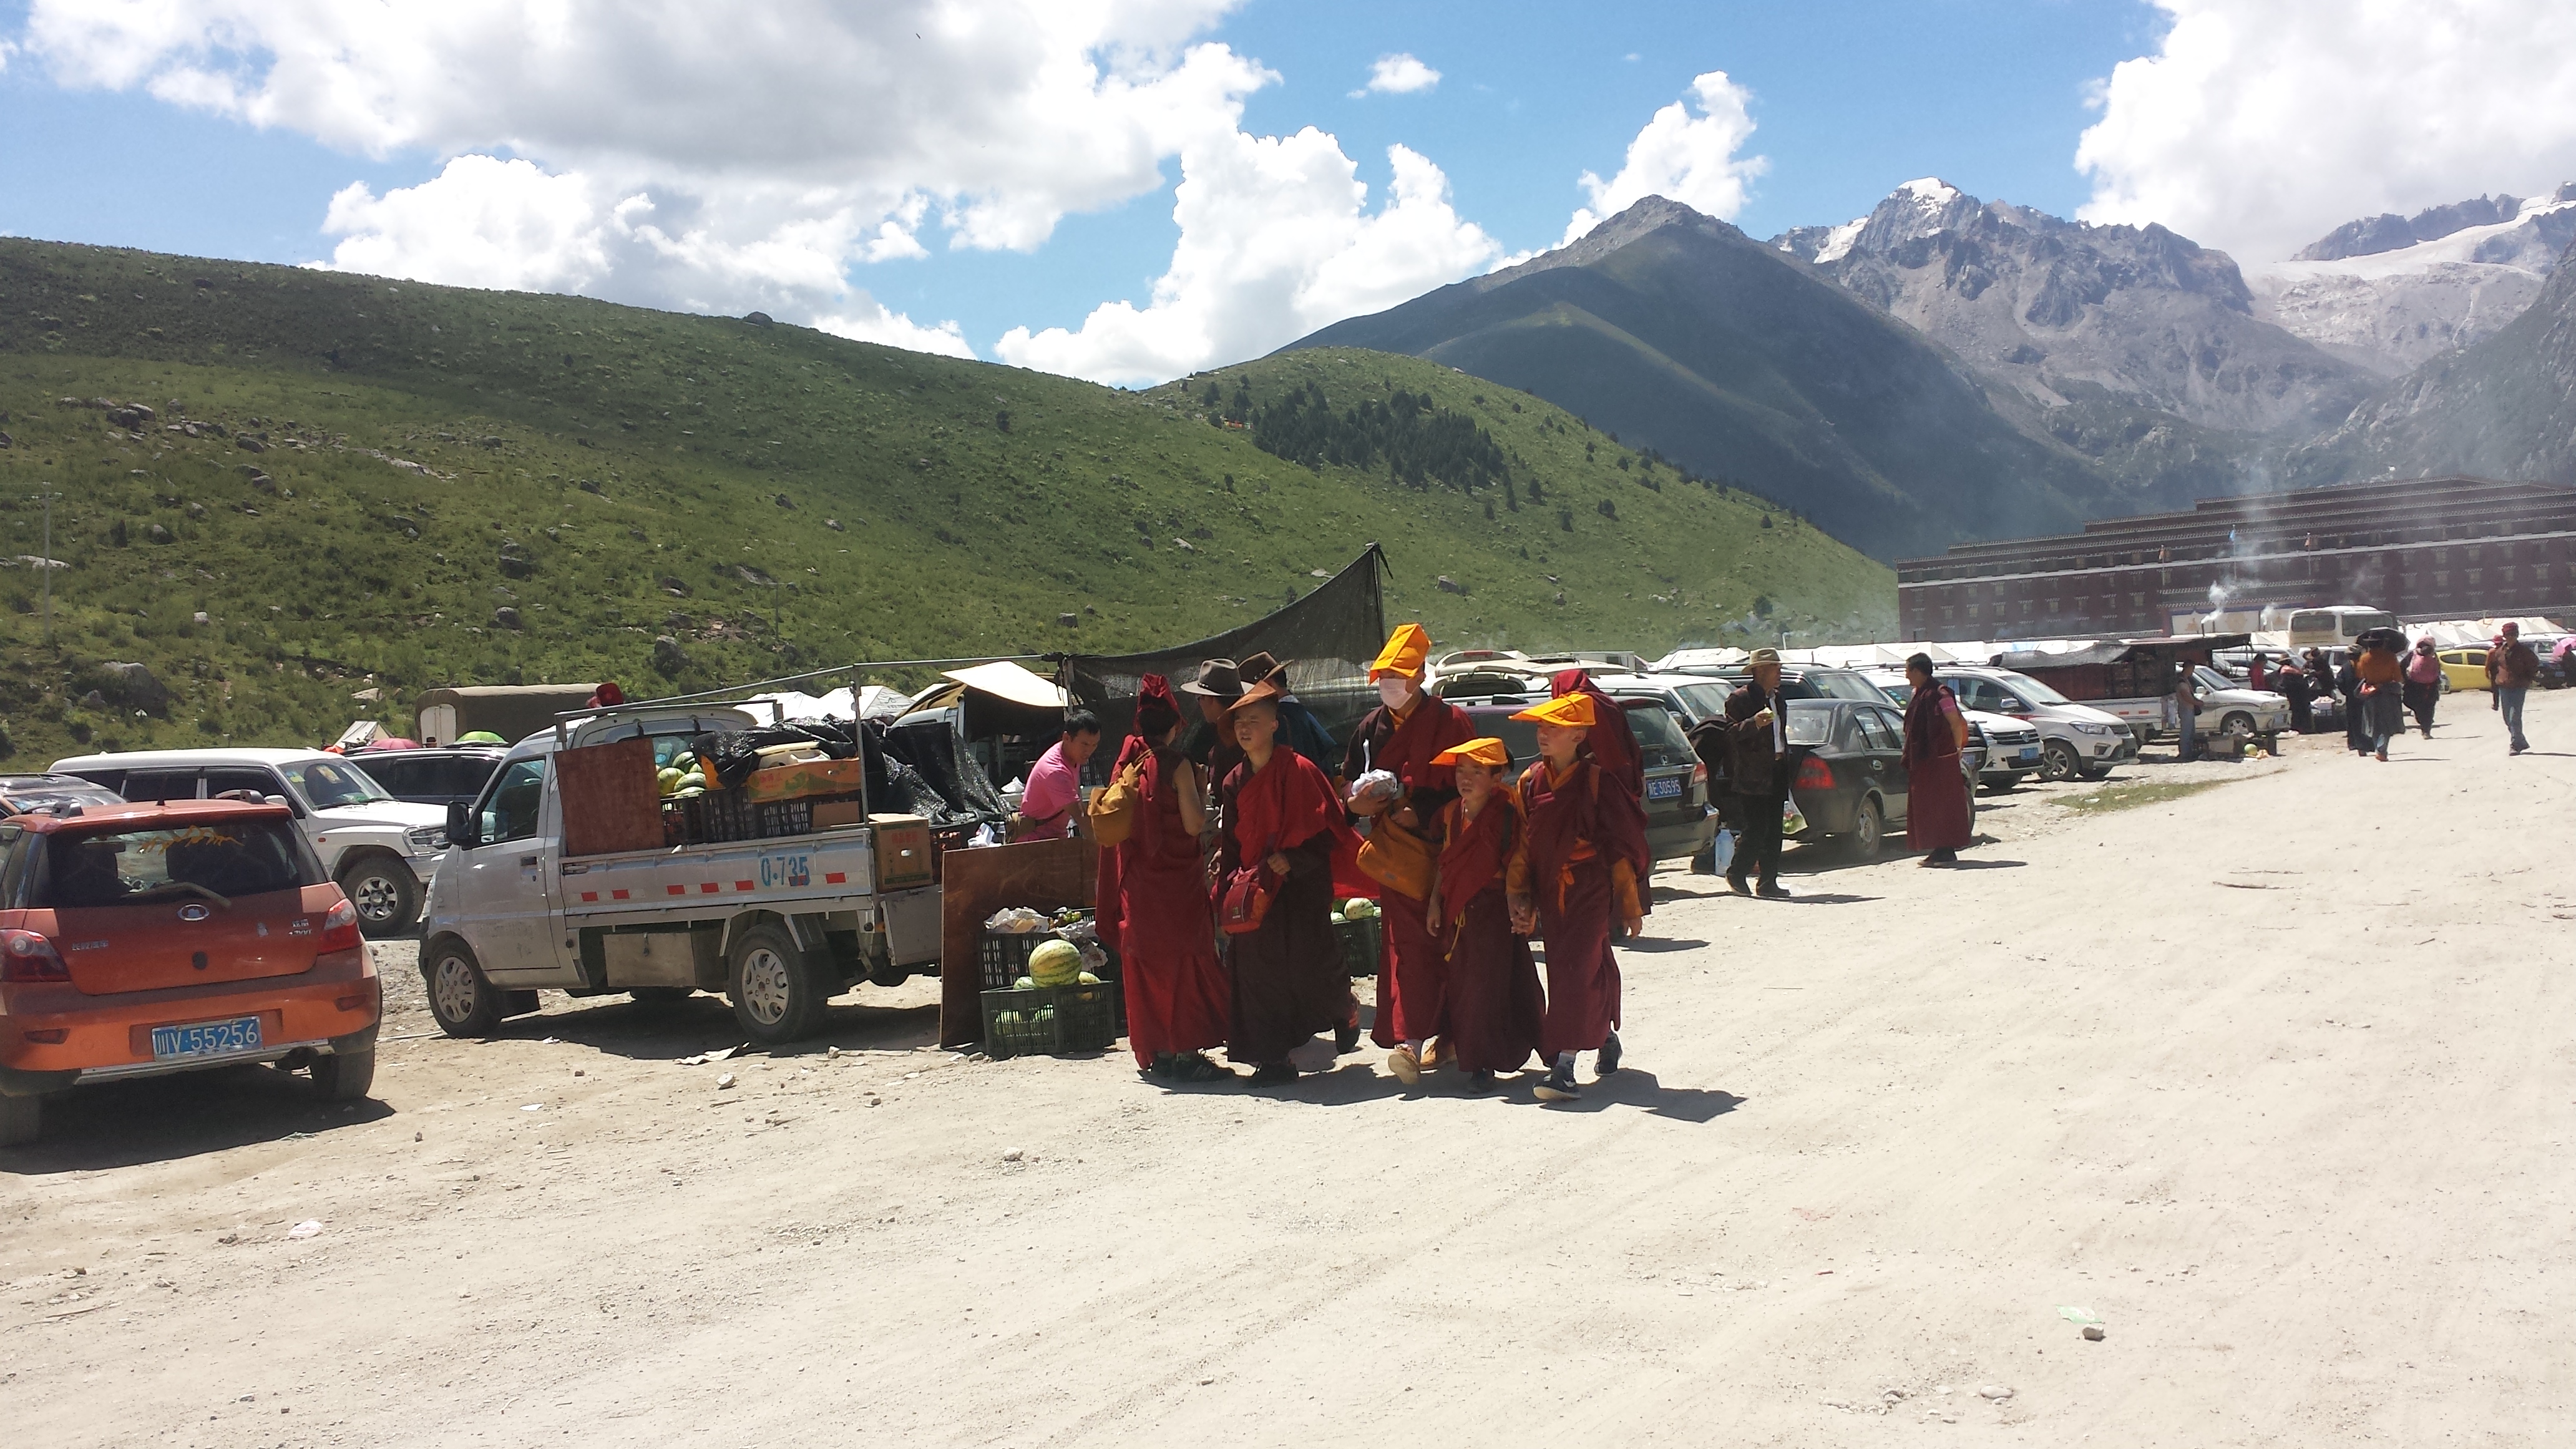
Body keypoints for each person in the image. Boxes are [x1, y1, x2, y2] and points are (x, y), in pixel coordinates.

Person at [1341, 623, 1476, 1081]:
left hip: (1444, 850)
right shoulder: (1370, 727)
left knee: (1452, 944)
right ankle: (1412, 1040)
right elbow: (1349, 783)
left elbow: (1469, 783)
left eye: (1397, 677)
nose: (1389, 687)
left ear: (1419, 675)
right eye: (1383, 678)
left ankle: (1454, 1035)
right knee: (1408, 947)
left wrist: (1423, 812)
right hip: (1397, 858)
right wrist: (1355, 803)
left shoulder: (1450, 722)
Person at [1216, 683, 1362, 1085]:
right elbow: (1231, 842)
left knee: (1308, 966)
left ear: (1275, 725)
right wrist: (1227, 885)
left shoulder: (1300, 770)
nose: (1245, 729)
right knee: (1257, 972)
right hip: (1255, 888)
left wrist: (1294, 859)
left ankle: (1344, 1008)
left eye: (1254, 721)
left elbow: (1332, 830)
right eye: (1239, 722)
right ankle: (1274, 1060)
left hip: (1300, 889)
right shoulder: (1234, 781)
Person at [1506, 691, 1648, 1102]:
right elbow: (1523, 848)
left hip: (1588, 889)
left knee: (1573, 971)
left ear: (1580, 735)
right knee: (1578, 969)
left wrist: (1629, 906)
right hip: (1551, 890)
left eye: (1554, 727)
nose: (1543, 733)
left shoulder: (1597, 783)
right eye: (1540, 726)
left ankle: (1564, 1067)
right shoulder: (1531, 781)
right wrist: (1521, 897)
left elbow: (1622, 849)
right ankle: (1604, 1038)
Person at [1096, 676, 1230, 1083]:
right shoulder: (1178, 765)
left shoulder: (1126, 765)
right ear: (1176, 725)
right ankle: (1187, 1052)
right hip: (1176, 890)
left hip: (1139, 886)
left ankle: (1161, 1053)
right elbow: (1192, 826)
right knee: (1185, 968)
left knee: (1149, 970)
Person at [1422, 738, 1546, 1092]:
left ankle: (1486, 1063)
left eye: (1477, 771)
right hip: (1460, 913)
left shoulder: (1508, 814)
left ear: (1497, 776)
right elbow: (1445, 862)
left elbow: (1521, 865)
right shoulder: (1450, 814)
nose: (1466, 778)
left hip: (1496, 911)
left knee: (1493, 986)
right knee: (1467, 988)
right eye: (1461, 770)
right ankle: (1476, 1058)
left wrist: (1523, 906)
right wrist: (1434, 902)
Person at [1717, 648, 1792, 898]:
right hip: (1752, 773)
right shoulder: (1741, 699)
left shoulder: (1779, 699)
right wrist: (1754, 723)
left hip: (1777, 768)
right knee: (1756, 828)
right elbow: (1729, 735)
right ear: (1760, 671)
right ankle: (1737, 873)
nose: (1779, 673)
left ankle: (1768, 882)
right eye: (1775, 668)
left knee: (1775, 830)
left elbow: (1780, 736)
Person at [1900, 653, 1973, 866]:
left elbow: (1955, 722)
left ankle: (1946, 849)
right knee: (1928, 804)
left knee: (1944, 804)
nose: (1906, 676)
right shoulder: (1920, 693)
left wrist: (1957, 749)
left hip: (1941, 757)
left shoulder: (1940, 694)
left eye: (1908, 671)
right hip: (1924, 757)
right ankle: (1939, 849)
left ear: (1917, 671)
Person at [1010, 708, 1102, 841]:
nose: (1089, 751)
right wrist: (1106, 849)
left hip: (1056, 839)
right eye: (1085, 744)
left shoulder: (1072, 755)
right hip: (1036, 844)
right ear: (1066, 738)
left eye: (1094, 745)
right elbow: (1080, 815)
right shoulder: (1055, 771)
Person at [1179, 658, 1247, 811]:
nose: (1200, 704)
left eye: (1200, 698)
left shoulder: (1229, 739)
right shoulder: (1242, 728)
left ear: (1210, 699)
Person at [2487, 621, 2540, 754]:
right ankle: (2521, 741)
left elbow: (2534, 665)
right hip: (2504, 687)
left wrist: (2528, 679)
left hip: (2519, 686)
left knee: (2514, 717)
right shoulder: (2499, 652)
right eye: (2508, 635)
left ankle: (2515, 744)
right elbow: (2494, 670)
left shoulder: (2524, 651)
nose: (2510, 637)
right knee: (2507, 717)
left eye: (2513, 635)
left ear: (2517, 635)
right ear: (2504, 636)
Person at [2356, 633, 2404, 761]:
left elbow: (2361, 675)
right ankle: (2381, 750)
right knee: (2386, 724)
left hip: (2371, 694)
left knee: (2374, 723)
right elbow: (2398, 677)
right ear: (2382, 644)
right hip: (2388, 693)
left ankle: (2379, 748)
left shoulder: (2364, 658)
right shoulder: (2390, 657)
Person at [2403, 638, 2444, 739]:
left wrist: (2405, 679)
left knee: (2417, 705)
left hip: (2414, 686)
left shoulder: (2412, 655)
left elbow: (2402, 666)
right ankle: (2426, 730)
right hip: (2431, 686)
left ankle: (2423, 722)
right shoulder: (2434, 655)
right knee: (2429, 708)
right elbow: (2438, 669)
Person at [2337, 651, 2371, 756]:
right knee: (2364, 722)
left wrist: (2347, 692)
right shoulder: (2364, 665)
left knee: (2353, 722)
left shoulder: (2346, 667)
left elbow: (2339, 682)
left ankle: (2354, 744)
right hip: (2365, 697)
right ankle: (2363, 745)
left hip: (2352, 698)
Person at [2174, 666, 2201, 763]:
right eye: (2192, 669)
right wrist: (2198, 703)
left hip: (2190, 709)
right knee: (2186, 732)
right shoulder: (2182, 682)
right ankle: (2185, 753)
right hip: (2186, 709)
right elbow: (2186, 697)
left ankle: (2189, 752)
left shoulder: (2186, 680)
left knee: (2191, 732)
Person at [2280, 658, 2315, 734]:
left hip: (2293, 696)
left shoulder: (2285, 672)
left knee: (2296, 713)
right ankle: (2305, 728)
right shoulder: (2294, 671)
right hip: (2300, 695)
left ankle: (2298, 728)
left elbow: (2283, 686)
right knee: (2301, 712)